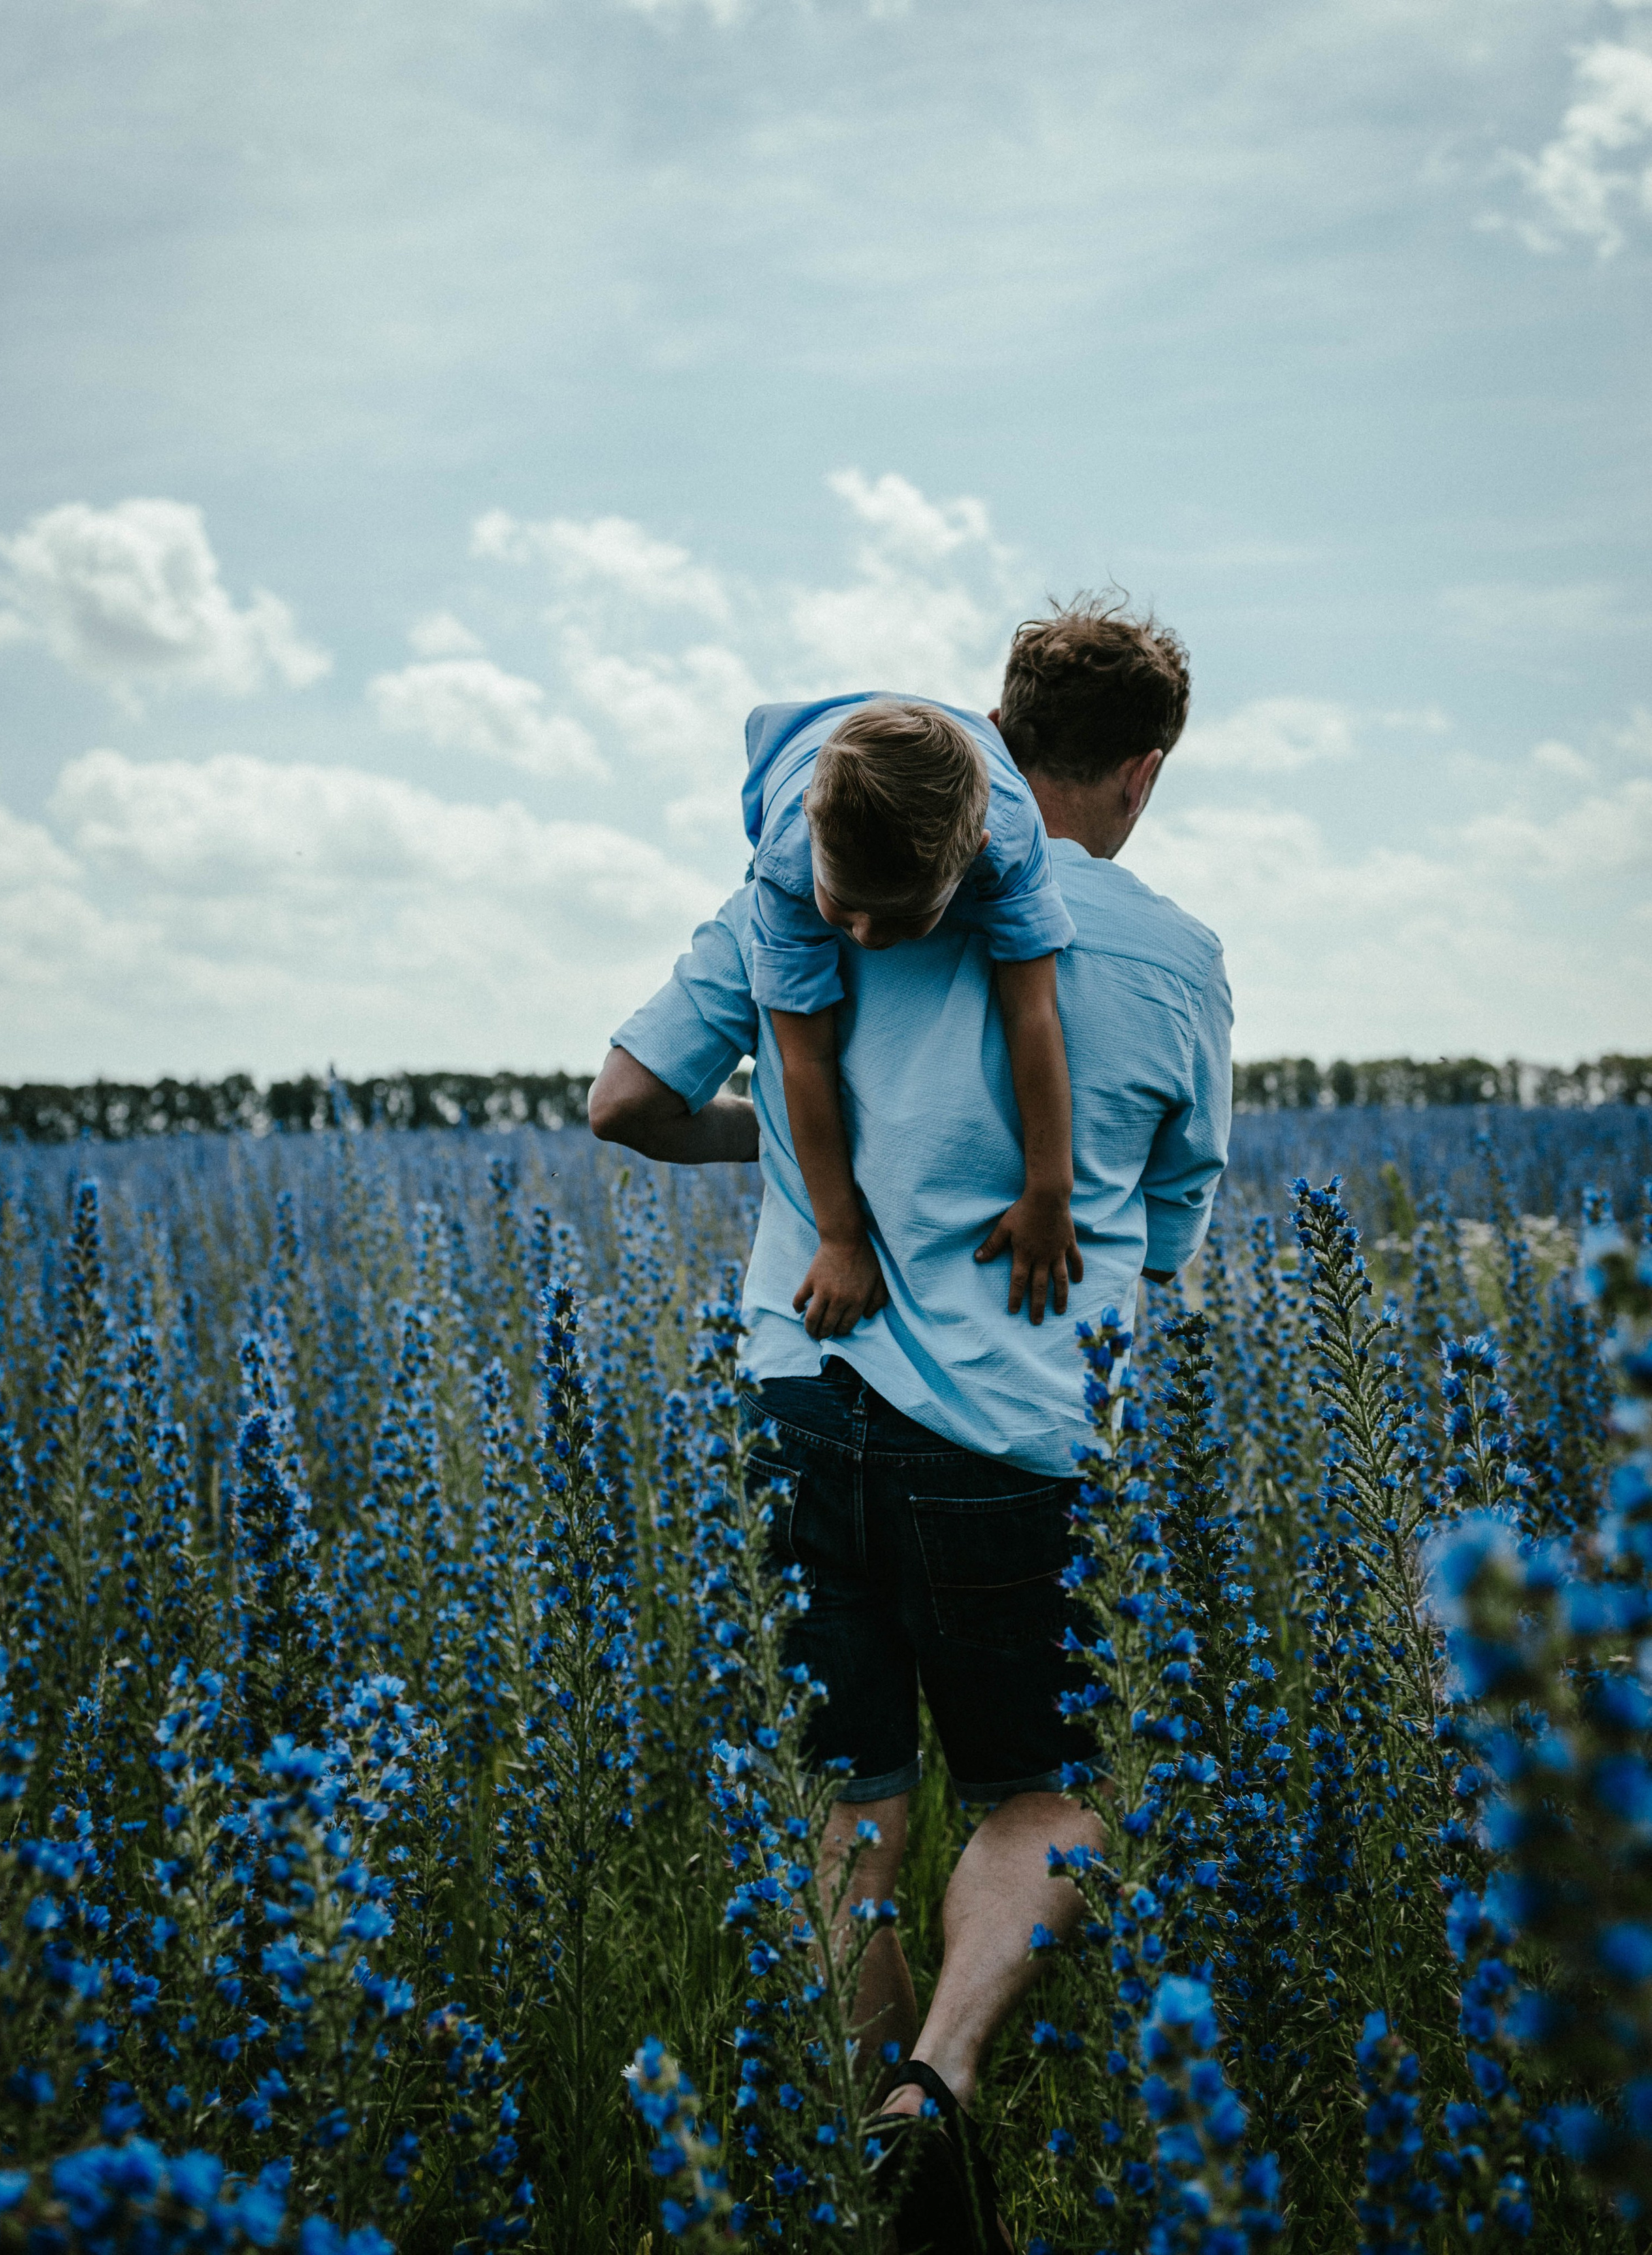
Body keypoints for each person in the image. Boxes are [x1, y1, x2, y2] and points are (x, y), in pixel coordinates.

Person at [589, 598, 1231, 2251]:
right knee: (1037, 1791)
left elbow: (625, 1104)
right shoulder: (1168, 957)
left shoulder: (806, 872)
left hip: (804, 1397)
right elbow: (1158, 1241)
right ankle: (930, 2087)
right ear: (1144, 768)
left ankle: (869, 2191)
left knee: (848, 1803)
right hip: (1016, 1435)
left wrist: (810, 1175)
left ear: (1000, 730)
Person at [745, 695, 1078, 1340]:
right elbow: (804, 1059)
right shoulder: (786, 862)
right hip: (795, 745)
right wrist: (840, 1237)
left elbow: (1033, 1013)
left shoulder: (1008, 837)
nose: (868, 937)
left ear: (974, 855)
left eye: (905, 917)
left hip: (960, 747)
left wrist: (1049, 1190)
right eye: (844, 907)